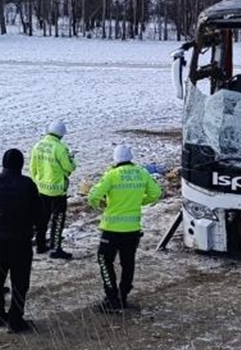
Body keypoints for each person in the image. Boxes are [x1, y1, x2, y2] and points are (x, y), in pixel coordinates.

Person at [88, 145, 163, 311]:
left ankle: (112, 297)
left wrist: (100, 205)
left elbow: (93, 195)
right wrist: (139, 202)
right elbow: (156, 193)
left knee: (104, 260)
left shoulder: (112, 175)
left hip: (112, 229)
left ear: (115, 159)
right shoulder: (142, 173)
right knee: (128, 263)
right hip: (132, 230)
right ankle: (123, 295)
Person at [0, 148, 42, 331]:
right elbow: (39, 213)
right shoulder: (27, 184)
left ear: (3, 163)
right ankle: (15, 319)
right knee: (20, 282)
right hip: (21, 240)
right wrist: (39, 232)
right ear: (21, 164)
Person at [30, 120, 76, 260]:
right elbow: (69, 167)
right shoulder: (60, 148)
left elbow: (33, 167)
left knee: (42, 219)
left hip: (41, 188)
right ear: (61, 135)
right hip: (57, 190)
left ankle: (40, 245)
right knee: (58, 219)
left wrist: (37, 182)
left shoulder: (38, 145)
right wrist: (72, 159)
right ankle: (56, 248)